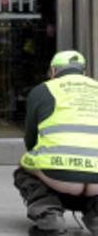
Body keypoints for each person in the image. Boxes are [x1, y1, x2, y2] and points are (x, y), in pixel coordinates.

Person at [14, 50, 98, 236]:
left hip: (59, 175)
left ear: (53, 71)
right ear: (84, 73)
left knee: (24, 165)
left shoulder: (43, 90)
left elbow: (30, 140)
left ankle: (50, 218)